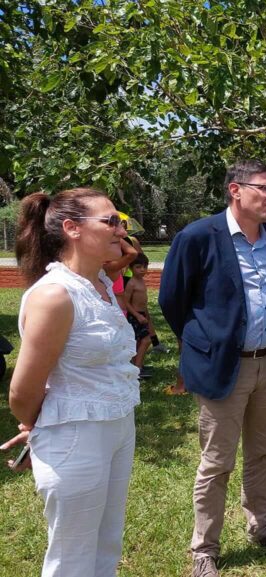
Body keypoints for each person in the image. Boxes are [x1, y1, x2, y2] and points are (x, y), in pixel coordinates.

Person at [158, 159, 266, 577]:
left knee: (263, 451)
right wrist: (201, 344)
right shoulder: (198, 236)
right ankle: (205, 549)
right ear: (235, 190)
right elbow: (172, 299)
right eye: (265, 188)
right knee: (217, 460)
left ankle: (262, 527)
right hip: (225, 366)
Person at [3, 188, 140, 577]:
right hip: (76, 436)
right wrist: (38, 428)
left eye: (121, 221)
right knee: (73, 558)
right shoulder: (55, 296)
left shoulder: (99, 285)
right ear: (71, 228)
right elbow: (21, 392)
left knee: (105, 546)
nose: (120, 230)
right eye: (110, 221)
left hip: (116, 426)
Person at [123, 252, 153, 376]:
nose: (142, 270)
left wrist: (145, 314)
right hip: (135, 316)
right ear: (131, 268)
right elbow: (126, 301)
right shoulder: (131, 283)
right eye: (138, 267)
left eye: (144, 267)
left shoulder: (141, 281)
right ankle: (137, 368)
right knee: (146, 340)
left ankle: (137, 364)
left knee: (140, 342)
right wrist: (137, 315)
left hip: (142, 315)